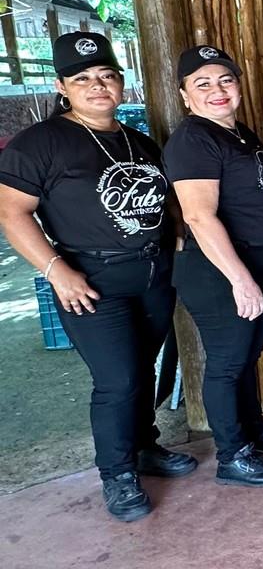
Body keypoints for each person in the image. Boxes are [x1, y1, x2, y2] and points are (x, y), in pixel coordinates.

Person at [0, 32, 196, 522]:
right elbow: (10, 212)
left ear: (121, 82)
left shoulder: (138, 139)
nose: (97, 86)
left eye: (107, 76)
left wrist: (171, 234)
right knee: (117, 378)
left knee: (143, 365)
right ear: (63, 86)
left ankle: (145, 447)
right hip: (89, 279)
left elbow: (162, 195)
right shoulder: (39, 143)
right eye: (83, 78)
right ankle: (117, 473)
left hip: (151, 273)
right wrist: (56, 271)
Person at [165, 44, 263, 487]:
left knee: (246, 358)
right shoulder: (194, 139)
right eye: (202, 84)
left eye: (225, 80)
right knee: (227, 363)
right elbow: (198, 216)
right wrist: (241, 280)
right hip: (218, 271)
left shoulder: (238, 132)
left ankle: (253, 430)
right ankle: (232, 456)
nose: (217, 90)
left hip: (256, 261)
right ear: (186, 96)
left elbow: (254, 200)